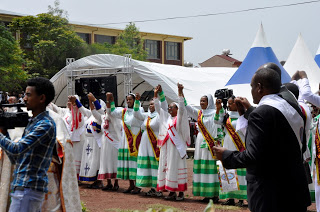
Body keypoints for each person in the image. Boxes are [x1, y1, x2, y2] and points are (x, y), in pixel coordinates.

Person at [213, 68, 311, 212]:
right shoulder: (292, 107)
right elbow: (275, 137)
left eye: (252, 87)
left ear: (259, 87)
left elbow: (253, 156)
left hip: (271, 194)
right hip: (294, 190)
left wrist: (226, 155)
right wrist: (248, 113)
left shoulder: (262, 113)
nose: (251, 91)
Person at [0, 77, 56, 211]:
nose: (24, 98)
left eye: (28, 95)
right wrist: (4, 132)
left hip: (29, 189)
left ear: (42, 98)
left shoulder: (45, 125)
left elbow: (17, 149)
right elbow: (16, 158)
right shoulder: (33, 123)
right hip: (23, 188)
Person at [181, 88, 223, 203]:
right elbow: (187, 107)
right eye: (200, 101)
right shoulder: (199, 114)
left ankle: (213, 194)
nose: (201, 103)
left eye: (204, 101)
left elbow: (219, 121)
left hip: (211, 143)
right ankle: (205, 192)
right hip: (200, 142)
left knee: (211, 167)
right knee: (202, 166)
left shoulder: (215, 112)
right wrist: (181, 93)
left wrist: (219, 109)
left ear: (209, 102)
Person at [156, 83, 190, 201]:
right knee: (168, 167)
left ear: (177, 109)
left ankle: (180, 192)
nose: (169, 109)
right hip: (167, 147)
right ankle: (171, 191)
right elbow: (159, 107)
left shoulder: (179, 119)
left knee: (177, 167)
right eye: (169, 108)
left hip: (177, 148)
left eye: (172, 107)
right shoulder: (166, 119)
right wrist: (159, 94)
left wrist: (180, 92)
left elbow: (182, 108)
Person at [106, 92, 144, 194]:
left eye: (130, 99)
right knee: (128, 162)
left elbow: (137, 117)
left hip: (135, 139)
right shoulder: (124, 111)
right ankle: (131, 184)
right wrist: (111, 100)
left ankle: (138, 185)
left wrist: (137, 102)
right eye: (127, 99)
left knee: (134, 162)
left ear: (135, 100)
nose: (128, 101)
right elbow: (112, 113)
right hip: (125, 139)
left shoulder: (139, 110)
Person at [133, 85, 167, 196]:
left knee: (155, 165)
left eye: (152, 104)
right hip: (145, 144)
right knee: (147, 165)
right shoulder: (147, 116)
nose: (151, 105)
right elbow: (136, 114)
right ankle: (152, 187)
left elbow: (160, 107)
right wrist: (137, 102)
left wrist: (157, 95)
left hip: (155, 143)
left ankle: (158, 188)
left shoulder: (160, 115)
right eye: (150, 104)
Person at [215, 96, 247, 206]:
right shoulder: (227, 116)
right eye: (228, 103)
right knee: (228, 169)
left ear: (237, 104)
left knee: (239, 169)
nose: (228, 105)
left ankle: (241, 198)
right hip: (228, 143)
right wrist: (219, 109)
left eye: (231, 103)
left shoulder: (243, 116)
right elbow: (216, 121)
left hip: (239, 145)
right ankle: (230, 197)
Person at [70, 93, 104, 188]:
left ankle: (99, 181)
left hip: (96, 142)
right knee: (89, 161)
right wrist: (76, 101)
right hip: (88, 142)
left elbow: (96, 111)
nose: (92, 106)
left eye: (94, 104)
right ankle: (93, 179)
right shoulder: (90, 115)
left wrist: (93, 100)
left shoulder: (101, 116)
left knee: (96, 161)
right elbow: (82, 109)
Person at [91, 93, 121, 191]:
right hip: (105, 142)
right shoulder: (103, 117)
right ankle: (108, 183)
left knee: (114, 161)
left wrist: (108, 99)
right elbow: (94, 112)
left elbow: (108, 111)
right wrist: (91, 101)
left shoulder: (113, 116)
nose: (105, 111)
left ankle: (116, 183)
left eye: (106, 109)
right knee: (106, 160)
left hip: (113, 142)